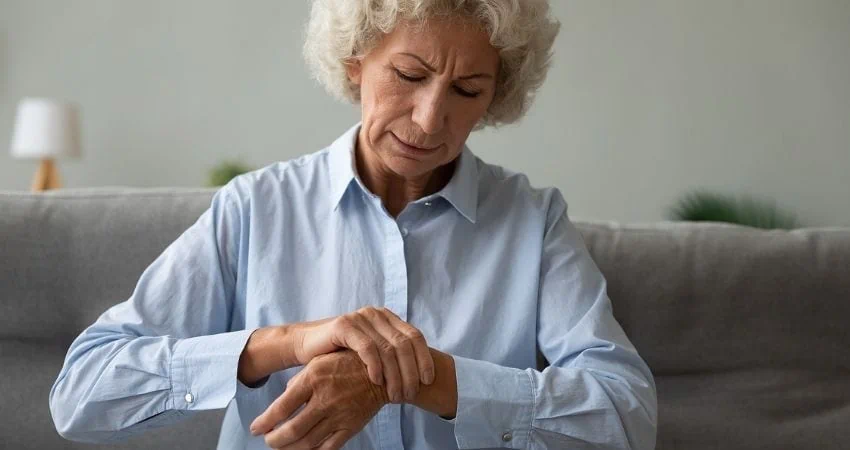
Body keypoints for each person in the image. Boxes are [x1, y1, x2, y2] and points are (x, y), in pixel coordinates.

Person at [50, 1, 657, 449]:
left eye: (467, 90)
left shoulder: (532, 220)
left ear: (496, 99)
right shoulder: (256, 208)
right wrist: (283, 344)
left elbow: (627, 413)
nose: (429, 118)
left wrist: (417, 379)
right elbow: (82, 392)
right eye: (410, 75)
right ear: (355, 63)